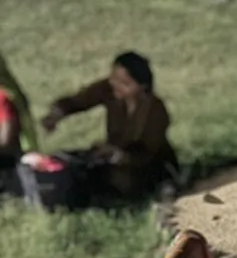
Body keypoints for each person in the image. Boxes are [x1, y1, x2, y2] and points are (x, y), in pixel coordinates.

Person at [38, 51, 177, 201]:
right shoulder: (110, 90)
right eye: (113, 78)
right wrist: (56, 115)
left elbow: (147, 153)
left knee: (117, 181)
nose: (115, 84)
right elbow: (80, 100)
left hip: (145, 167)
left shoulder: (155, 110)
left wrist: (117, 155)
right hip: (111, 160)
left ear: (141, 86)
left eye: (125, 83)